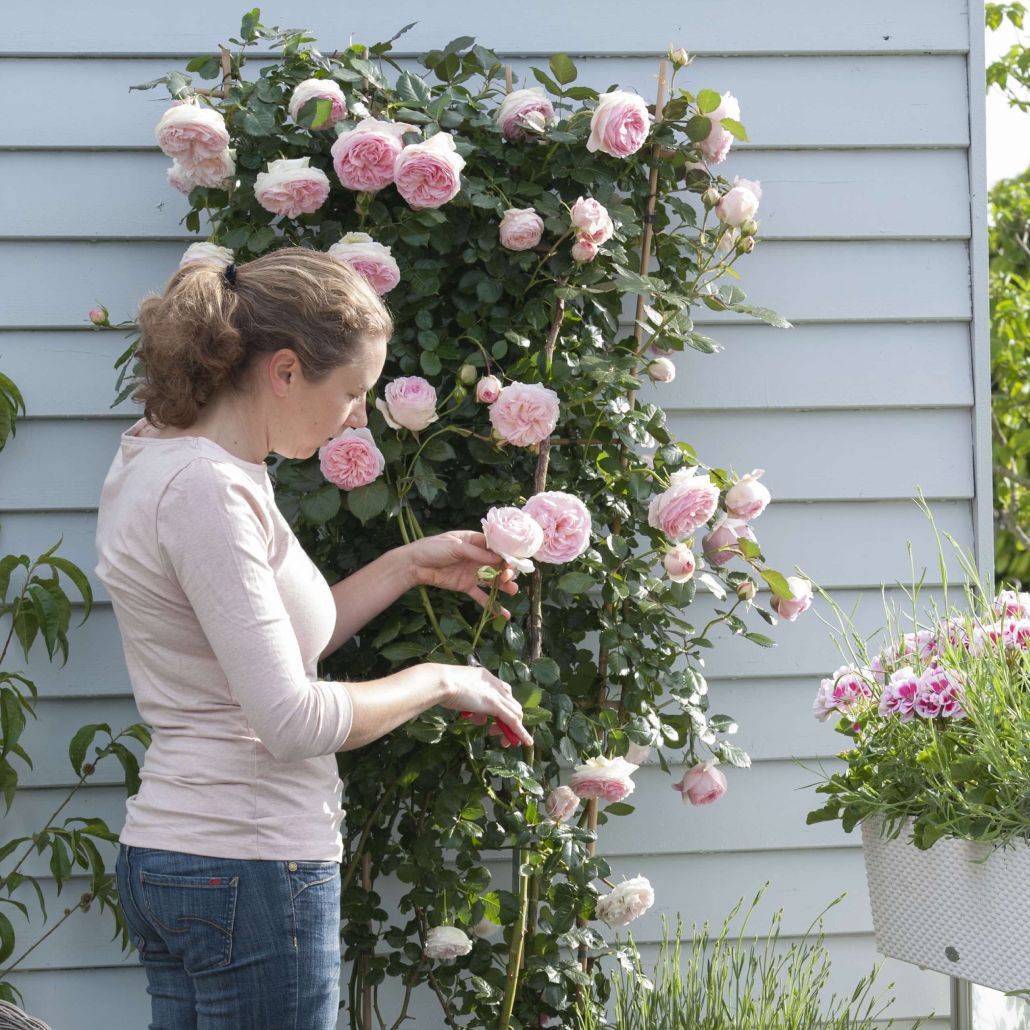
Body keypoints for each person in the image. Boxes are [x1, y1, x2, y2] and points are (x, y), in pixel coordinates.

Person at [95, 246, 531, 1029]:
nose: (360, 415)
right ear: (286, 371)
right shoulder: (209, 489)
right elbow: (290, 720)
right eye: (354, 391)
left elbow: (265, 646)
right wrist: (440, 679)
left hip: (189, 860)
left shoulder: (169, 457)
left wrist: (405, 565)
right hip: (248, 865)